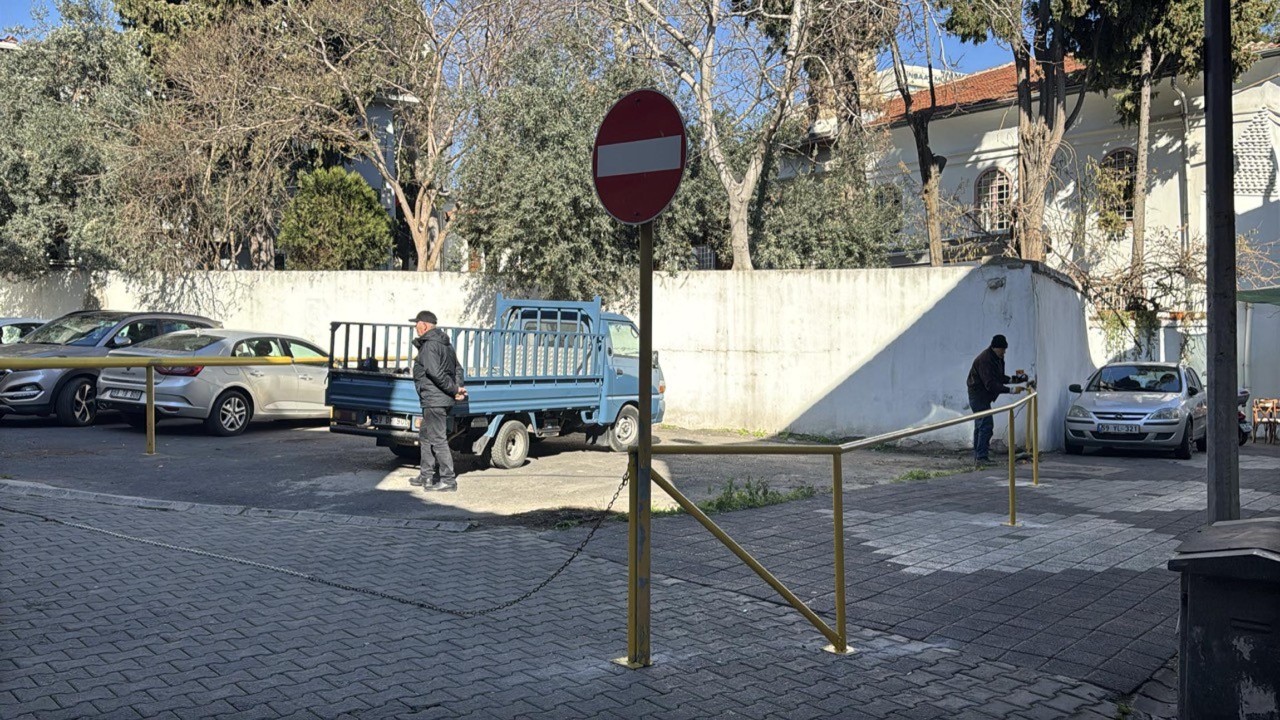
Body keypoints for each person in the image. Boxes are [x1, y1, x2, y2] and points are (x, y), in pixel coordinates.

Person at [409, 310, 467, 492]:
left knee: (438, 440)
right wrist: (456, 387)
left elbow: (435, 373)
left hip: (434, 400)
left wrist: (454, 389)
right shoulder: (446, 345)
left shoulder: (429, 345)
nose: (415, 328)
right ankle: (426, 476)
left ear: (423, 325)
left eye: (416, 324)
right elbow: (459, 369)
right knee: (425, 437)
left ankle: (448, 480)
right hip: (436, 399)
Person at [965, 334, 1025, 465]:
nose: (1004, 352)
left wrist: (1014, 380)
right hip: (978, 395)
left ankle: (979, 455)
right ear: (995, 348)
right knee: (986, 425)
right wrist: (1011, 390)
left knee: (980, 426)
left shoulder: (997, 358)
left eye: (1005, 350)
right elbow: (990, 384)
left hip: (982, 396)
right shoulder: (985, 360)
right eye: (1002, 349)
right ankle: (981, 457)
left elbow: (999, 376)